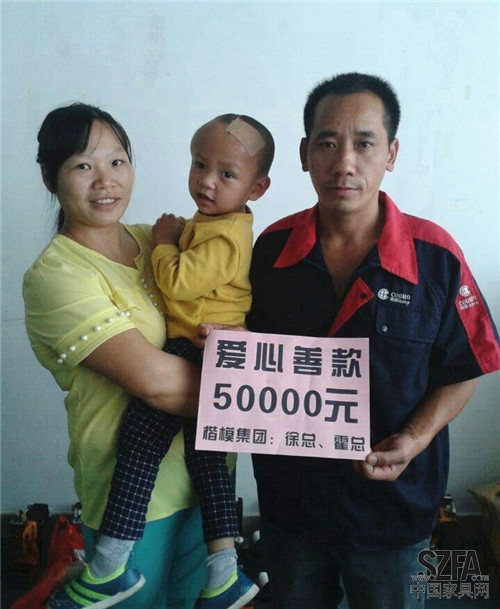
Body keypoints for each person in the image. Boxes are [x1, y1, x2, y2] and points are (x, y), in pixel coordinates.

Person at [241, 73, 500, 608]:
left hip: (394, 511)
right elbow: (249, 355)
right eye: (327, 143)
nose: (344, 163)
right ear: (304, 154)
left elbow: (465, 368)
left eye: (364, 143)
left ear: (391, 154)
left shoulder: (435, 256)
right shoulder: (268, 251)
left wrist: (415, 439)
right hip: (292, 507)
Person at [23, 103, 208, 609]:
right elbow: (155, 382)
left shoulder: (158, 242)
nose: (105, 180)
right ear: (50, 178)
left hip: (206, 478)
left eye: (117, 161)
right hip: (133, 501)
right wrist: (261, 397)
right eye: (83, 165)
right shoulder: (56, 275)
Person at [92, 113, 273, 609]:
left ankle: (109, 563)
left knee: (139, 442)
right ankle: (224, 573)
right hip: (211, 353)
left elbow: (176, 282)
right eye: (199, 164)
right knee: (206, 463)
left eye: (227, 174)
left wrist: (165, 241)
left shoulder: (227, 236)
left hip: (196, 349)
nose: (207, 181)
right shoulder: (214, 222)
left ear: (257, 188)